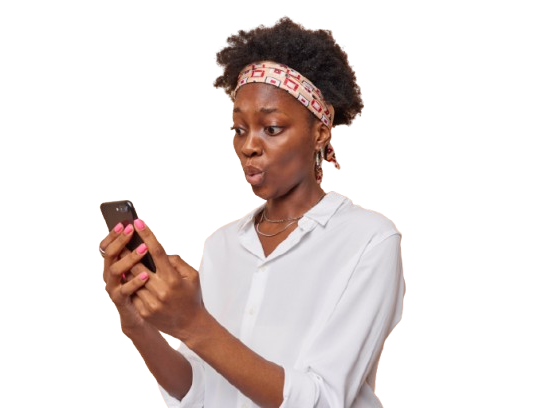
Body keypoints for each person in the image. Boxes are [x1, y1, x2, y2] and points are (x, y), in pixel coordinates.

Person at [98, 16, 405, 408]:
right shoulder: (222, 243)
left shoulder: (368, 240)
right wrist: (137, 325)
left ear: (320, 132)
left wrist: (193, 323)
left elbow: (325, 400)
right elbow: (202, 391)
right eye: (239, 130)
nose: (248, 146)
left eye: (271, 128)